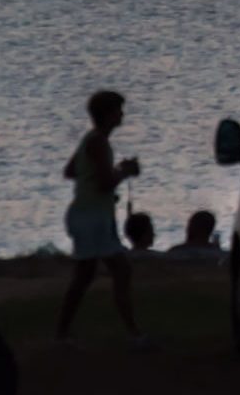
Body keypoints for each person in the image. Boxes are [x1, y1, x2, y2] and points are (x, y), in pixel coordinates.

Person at [54, 90, 149, 347]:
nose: (122, 115)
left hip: (88, 215)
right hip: (91, 218)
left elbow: (72, 171)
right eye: (118, 110)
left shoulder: (91, 139)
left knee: (86, 276)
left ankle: (63, 332)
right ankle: (133, 334)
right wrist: (124, 171)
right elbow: (106, 183)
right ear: (108, 115)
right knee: (119, 271)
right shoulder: (99, 142)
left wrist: (105, 174)